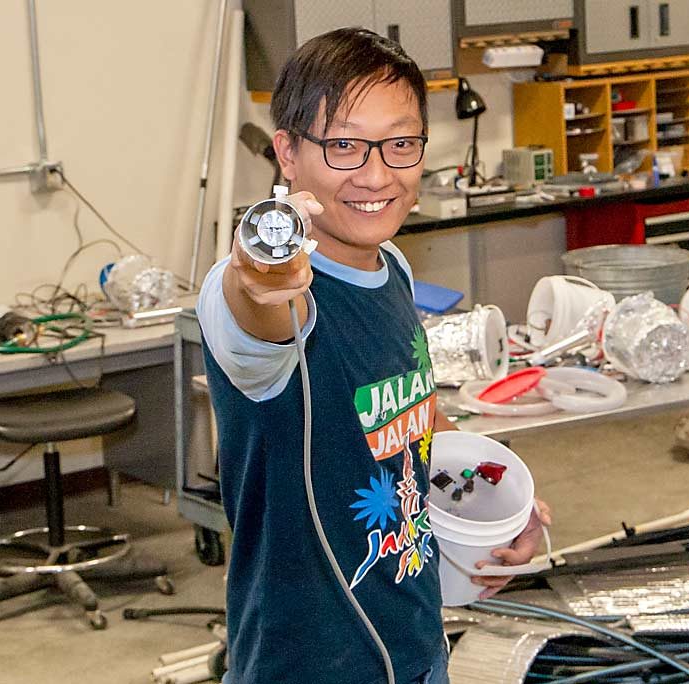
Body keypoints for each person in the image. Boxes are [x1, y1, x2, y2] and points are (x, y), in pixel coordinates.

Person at [196, 28, 551, 684]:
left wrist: (490, 504)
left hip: (415, 647)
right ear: (289, 155)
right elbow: (257, 309)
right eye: (344, 145)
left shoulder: (392, 269)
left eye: (400, 143)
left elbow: (417, 433)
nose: (377, 173)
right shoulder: (254, 297)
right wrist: (260, 275)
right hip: (303, 665)